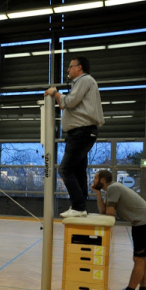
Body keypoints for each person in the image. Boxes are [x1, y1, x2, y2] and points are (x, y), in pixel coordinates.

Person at [45, 56, 104, 218]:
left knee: (65, 169)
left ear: (79, 67)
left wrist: (55, 92)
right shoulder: (81, 84)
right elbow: (66, 105)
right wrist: (58, 97)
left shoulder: (85, 80)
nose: (68, 69)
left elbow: (69, 102)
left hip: (82, 132)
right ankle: (81, 207)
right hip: (80, 133)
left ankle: (78, 206)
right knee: (78, 171)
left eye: (71, 66)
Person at [92, 170, 146, 290]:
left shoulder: (113, 188)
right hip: (141, 222)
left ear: (103, 180)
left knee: (139, 259)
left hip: (143, 223)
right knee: (144, 259)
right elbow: (104, 211)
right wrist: (98, 193)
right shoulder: (111, 189)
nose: (93, 181)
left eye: (95, 178)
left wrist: (111, 212)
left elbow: (109, 213)